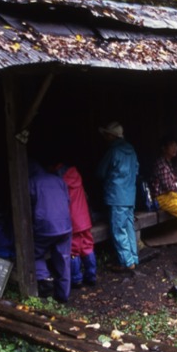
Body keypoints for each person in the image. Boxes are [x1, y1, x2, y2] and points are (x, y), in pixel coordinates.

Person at [96, 121, 139, 272]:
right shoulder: (131, 149)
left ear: (111, 136)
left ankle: (127, 262)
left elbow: (101, 172)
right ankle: (133, 258)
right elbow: (136, 170)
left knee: (118, 230)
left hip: (116, 196)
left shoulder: (113, 152)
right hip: (130, 195)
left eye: (106, 134)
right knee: (129, 228)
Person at [28, 160, 72, 303]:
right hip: (65, 226)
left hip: (45, 227)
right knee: (63, 258)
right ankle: (63, 295)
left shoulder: (31, 183)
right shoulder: (58, 180)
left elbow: (27, 206)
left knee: (35, 253)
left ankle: (45, 281)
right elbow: (67, 200)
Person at [56, 164, 97, 287]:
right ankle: (91, 276)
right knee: (87, 246)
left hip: (73, 220)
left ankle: (76, 278)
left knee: (74, 250)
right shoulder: (77, 177)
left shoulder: (61, 183)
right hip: (84, 218)